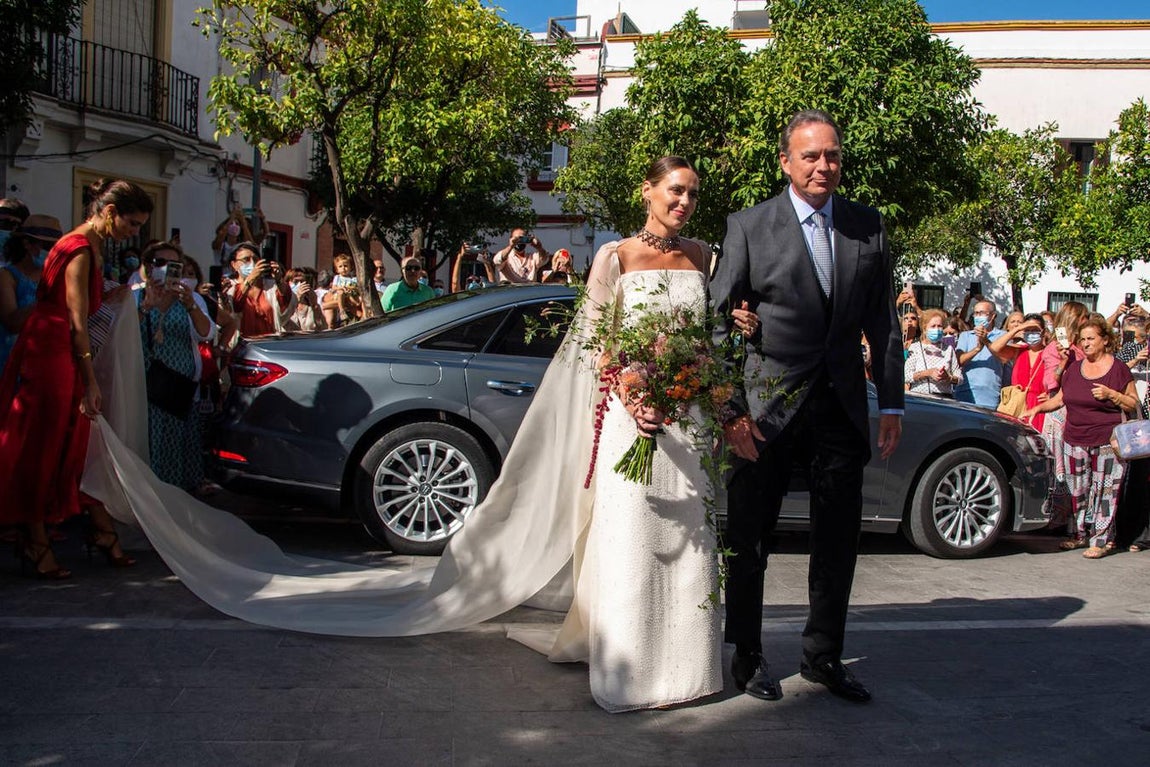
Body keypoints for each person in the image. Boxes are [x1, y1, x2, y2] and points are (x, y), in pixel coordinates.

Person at [75, 156, 757, 713]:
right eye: (675, 190)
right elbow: (598, 344)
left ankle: (690, 669)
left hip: (685, 421)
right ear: (647, 189)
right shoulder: (615, 255)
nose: (685, 203)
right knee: (635, 533)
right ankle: (633, 671)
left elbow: (710, 336)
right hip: (633, 415)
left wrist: (712, 380)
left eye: (694, 194)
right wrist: (632, 387)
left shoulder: (703, 254)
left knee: (690, 537)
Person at [711, 109, 904, 704]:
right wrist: (730, 413)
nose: (824, 166)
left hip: (841, 408)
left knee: (838, 541)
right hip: (764, 412)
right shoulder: (748, 225)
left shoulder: (867, 226)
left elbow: (884, 323)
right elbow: (717, 321)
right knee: (750, 538)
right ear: (786, 162)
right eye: (812, 156)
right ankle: (746, 654)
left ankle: (823, 656)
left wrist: (891, 402)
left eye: (833, 155)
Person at [0, 178, 151, 577]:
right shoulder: (80, 248)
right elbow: (76, 321)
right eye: (132, 224)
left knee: (71, 443)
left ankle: (79, 532)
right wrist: (90, 381)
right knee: (44, 445)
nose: (134, 233)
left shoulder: (87, 245)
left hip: (56, 348)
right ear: (110, 213)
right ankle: (36, 539)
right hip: (53, 351)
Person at [1024, 313, 1138, 558]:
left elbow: (1133, 403)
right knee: (1078, 490)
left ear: (1105, 340)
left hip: (1107, 439)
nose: (1086, 343)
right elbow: (1062, 397)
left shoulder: (1118, 369)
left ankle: (1100, 540)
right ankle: (1079, 535)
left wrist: (1112, 395)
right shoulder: (1075, 367)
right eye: (1083, 339)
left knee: (1104, 492)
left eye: (1091, 338)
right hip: (1074, 438)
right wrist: (1038, 408)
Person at [137, 241, 216, 493]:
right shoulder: (135, 294)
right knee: (148, 441)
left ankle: (174, 496)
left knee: (176, 443)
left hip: (179, 388)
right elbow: (123, 334)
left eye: (174, 265)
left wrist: (190, 305)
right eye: (160, 263)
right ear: (149, 267)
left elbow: (206, 333)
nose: (167, 269)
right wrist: (146, 306)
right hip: (145, 385)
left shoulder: (190, 298)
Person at [0, 215, 62, 373]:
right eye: (46, 246)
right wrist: (45, 299)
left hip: (46, 363)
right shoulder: (7, 276)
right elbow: (11, 322)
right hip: (12, 362)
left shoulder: (55, 276)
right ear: (27, 244)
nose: (51, 252)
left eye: (55, 246)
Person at [989, 313, 1051, 430]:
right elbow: (994, 348)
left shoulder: (1050, 353)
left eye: (1035, 330)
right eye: (1028, 329)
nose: (1032, 333)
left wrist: (1052, 396)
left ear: (1043, 331)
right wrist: (1018, 329)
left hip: (1040, 406)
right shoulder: (1019, 351)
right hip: (1017, 404)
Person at [228, 242, 295, 336]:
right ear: (234, 264)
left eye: (255, 259)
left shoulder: (270, 286)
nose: (252, 263)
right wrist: (251, 278)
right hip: (240, 346)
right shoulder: (229, 286)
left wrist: (279, 279)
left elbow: (286, 304)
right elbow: (234, 306)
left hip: (268, 343)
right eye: (246, 259)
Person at [954, 299, 1009, 408]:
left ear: (993, 316)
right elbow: (959, 361)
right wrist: (977, 349)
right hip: (965, 393)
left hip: (991, 395)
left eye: (982, 313)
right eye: (976, 313)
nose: (978, 316)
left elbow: (1005, 359)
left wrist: (986, 341)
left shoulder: (1003, 336)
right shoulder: (966, 335)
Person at [904, 309, 962, 397]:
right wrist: (927, 373)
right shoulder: (915, 348)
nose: (937, 329)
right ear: (925, 328)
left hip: (944, 398)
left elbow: (960, 379)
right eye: (933, 326)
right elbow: (906, 376)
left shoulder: (948, 349)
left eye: (939, 326)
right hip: (920, 398)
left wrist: (948, 377)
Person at [285, 266, 327, 332]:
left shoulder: (310, 305)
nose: (300, 285)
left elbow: (323, 327)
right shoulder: (284, 305)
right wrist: (296, 301)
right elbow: (283, 322)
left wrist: (314, 305)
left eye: (302, 282)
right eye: (296, 282)